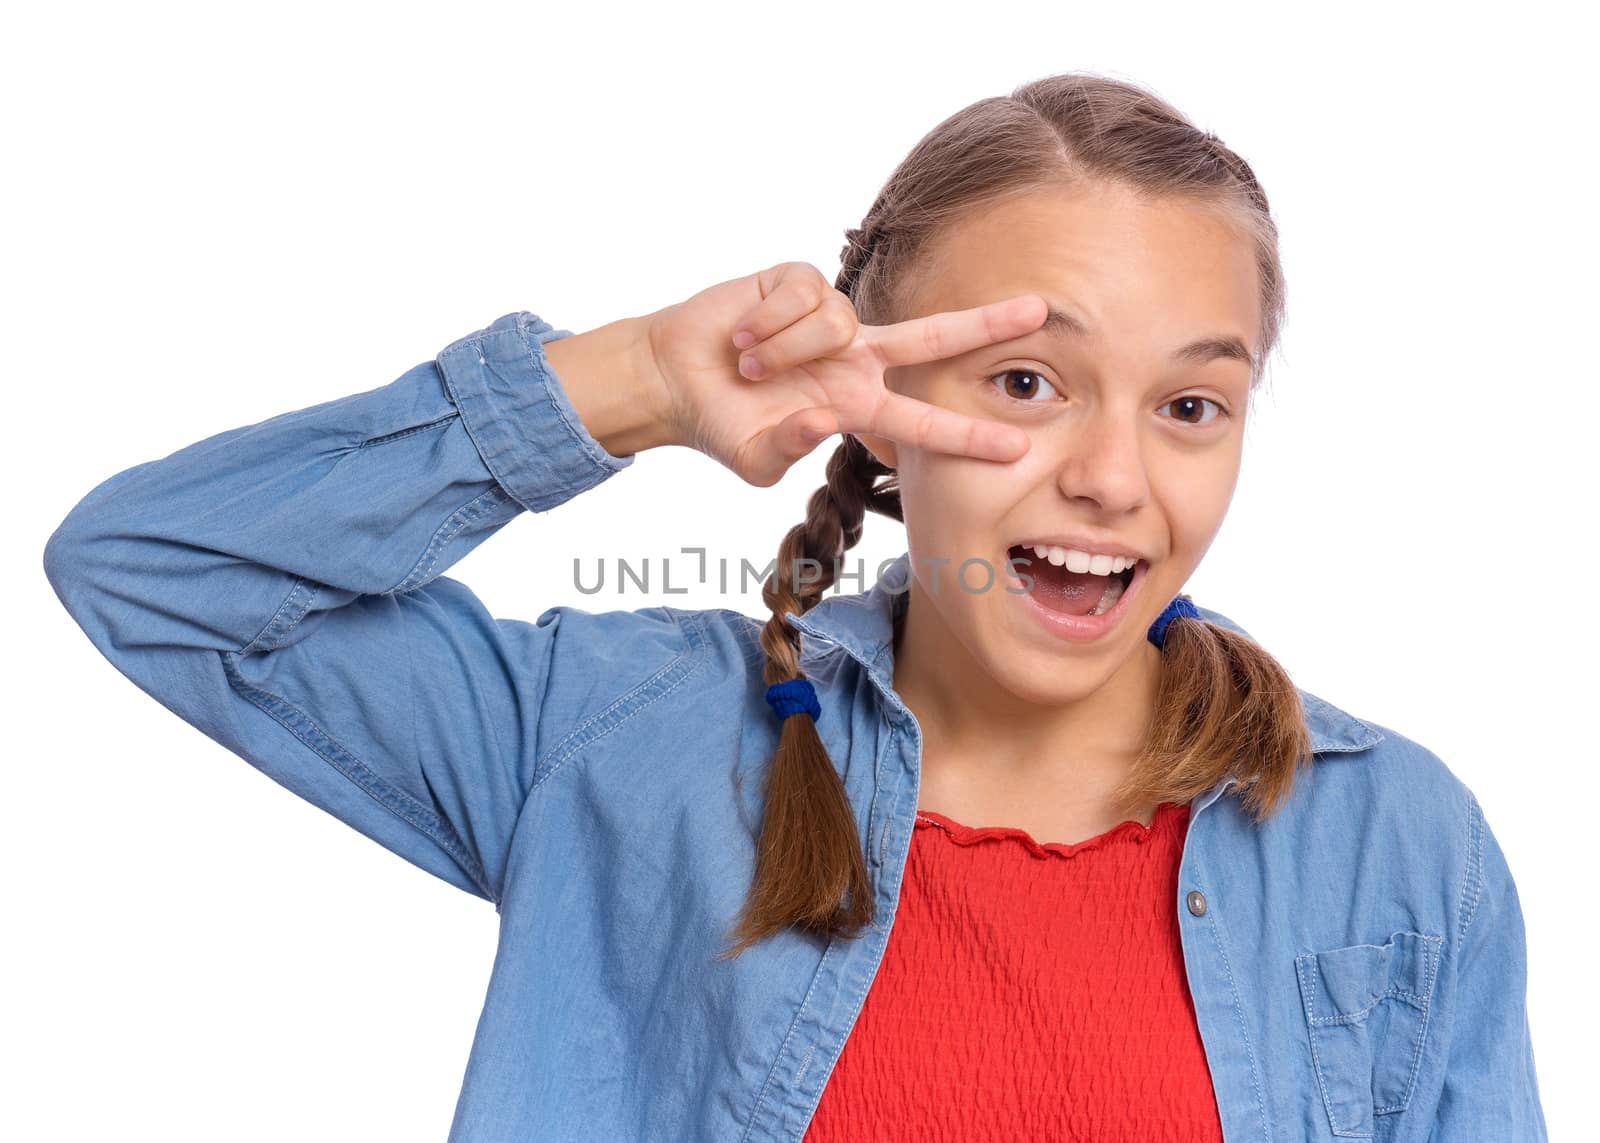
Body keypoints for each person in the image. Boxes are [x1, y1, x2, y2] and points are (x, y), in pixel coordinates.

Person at [42, 72, 1546, 1141]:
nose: (1113, 478)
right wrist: (628, 386)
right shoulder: (625, 745)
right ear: (881, 407)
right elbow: (163, 571)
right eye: (1027, 384)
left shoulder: (1398, 851)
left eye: (1193, 404)